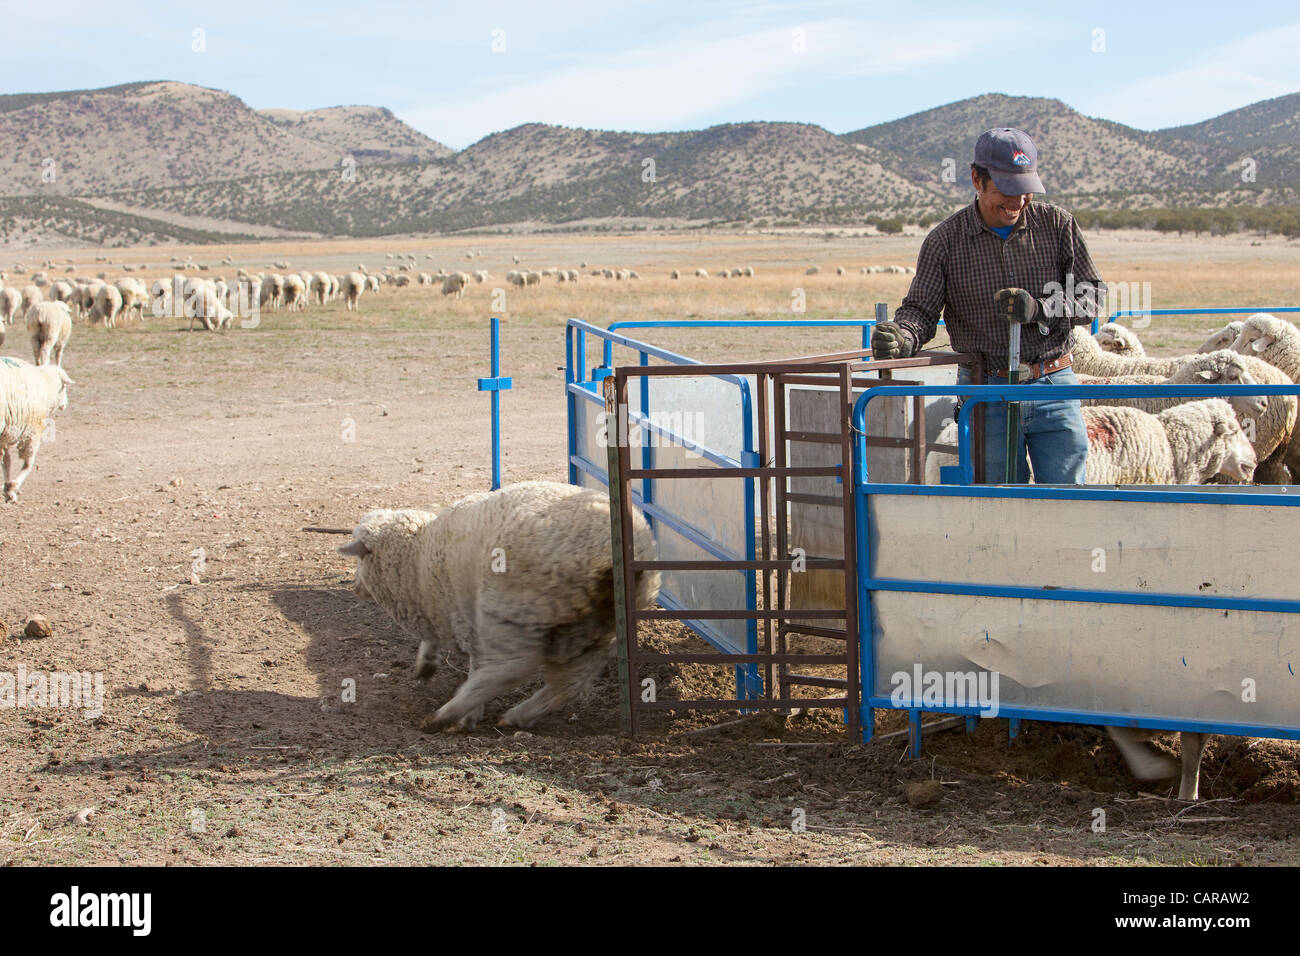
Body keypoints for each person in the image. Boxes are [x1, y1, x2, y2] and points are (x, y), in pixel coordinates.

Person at [871, 128, 1101, 484]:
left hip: (1054, 386)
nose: (1017, 201)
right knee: (995, 503)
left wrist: (1039, 308)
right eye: (1006, 189)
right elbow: (920, 310)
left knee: (1068, 499)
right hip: (986, 392)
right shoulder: (945, 241)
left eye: (1025, 189)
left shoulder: (1057, 226)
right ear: (977, 179)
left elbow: (1092, 298)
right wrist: (902, 336)